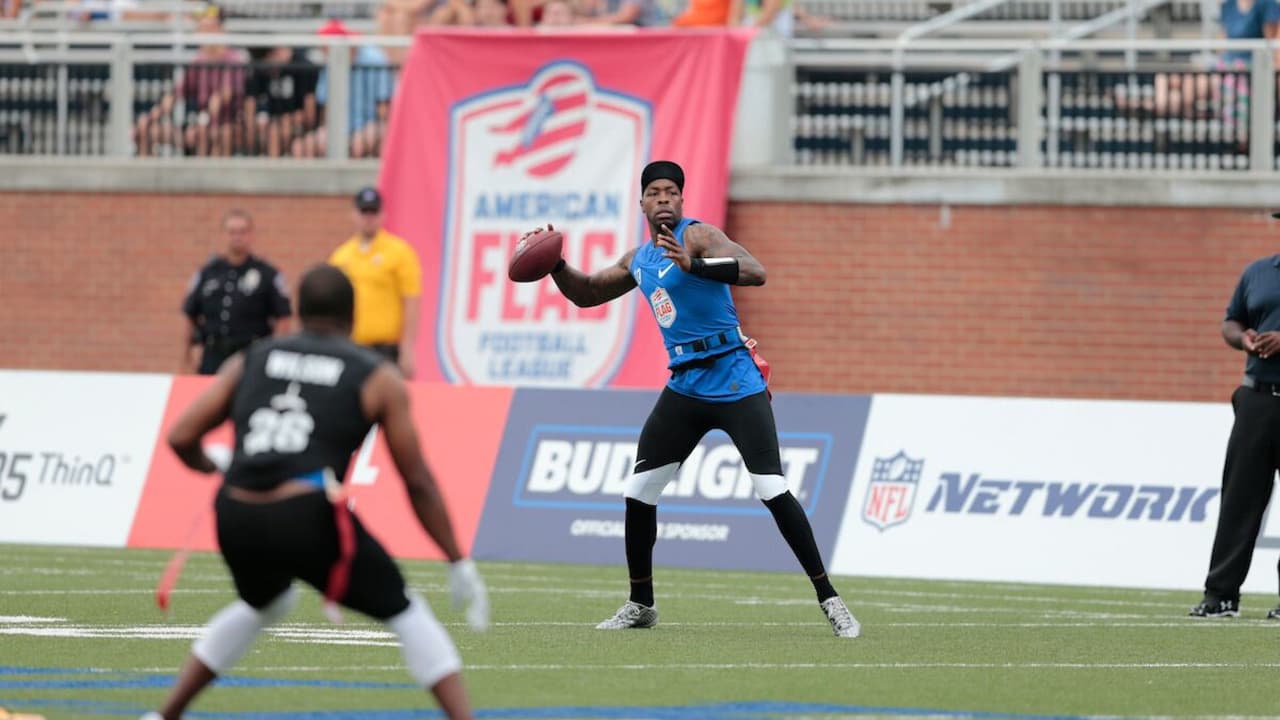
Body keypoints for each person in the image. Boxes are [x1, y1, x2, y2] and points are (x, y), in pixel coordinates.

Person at [142, 264, 489, 720]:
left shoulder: (252, 358)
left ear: (300, 311)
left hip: (236, 512)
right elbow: (417, 479)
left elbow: (181, 436)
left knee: (264, 602)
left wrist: (216, 467)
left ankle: (163, 716)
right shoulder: (375, 374)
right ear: (353, 314)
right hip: (304, 512)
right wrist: (456, 558)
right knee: (407, 613)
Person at [535, 160, 859, 638]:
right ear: (642, 202)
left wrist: (696, 266)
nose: (664, 198)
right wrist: (555, 265)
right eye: (655, 192)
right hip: (685, 384)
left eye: (672, 191)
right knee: (638, 493)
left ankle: (830, 598)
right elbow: (586, 294)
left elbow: (755, 271)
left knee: (770, 488)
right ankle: (640, 604)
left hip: (733, 378)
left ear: (682, 201)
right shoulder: (638, 261)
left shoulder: (700, 237)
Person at [1191, 225, 1280, 619]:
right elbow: (1230, 320)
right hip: (1257, 397)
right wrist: (1241, 337)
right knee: (1239, 498)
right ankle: (1221, 596)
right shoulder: (1258, 271)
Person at [181, 209, 292, 375]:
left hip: (250, 355)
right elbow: (190, 315)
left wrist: (272, 356)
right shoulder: (208, 273)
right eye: (232, 232)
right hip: (213, 355)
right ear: (223, 235)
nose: (237, 237)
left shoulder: (267, 274)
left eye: (242, 231)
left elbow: (283, 319)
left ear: (252, 235)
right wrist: (188, 355)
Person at [328, 187, 423, 377]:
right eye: (364, 212)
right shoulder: (341, 256)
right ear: (354, 215)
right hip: (351, 345)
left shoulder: (399, 252)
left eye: (374, 212)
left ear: (383, 215)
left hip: (385, 347)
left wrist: (407, 348)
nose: (369, 218)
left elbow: (411, 301)